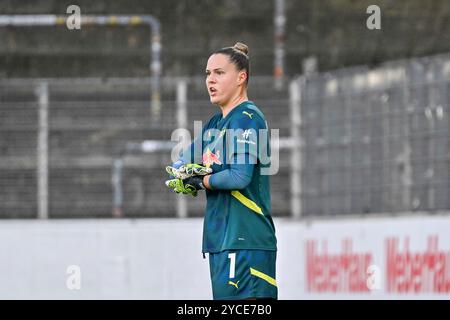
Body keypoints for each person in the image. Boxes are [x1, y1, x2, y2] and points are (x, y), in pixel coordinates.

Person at [166, 42, 277, 300]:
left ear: (241, 77)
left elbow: (239, 176)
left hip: (247, 241)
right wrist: (184, 174)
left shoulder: (248, 118)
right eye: (208, 74)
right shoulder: (216, 123)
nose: (210, 80)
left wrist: (201, 180)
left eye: (219, 73)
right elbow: (182, 161)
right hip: (220, 242)